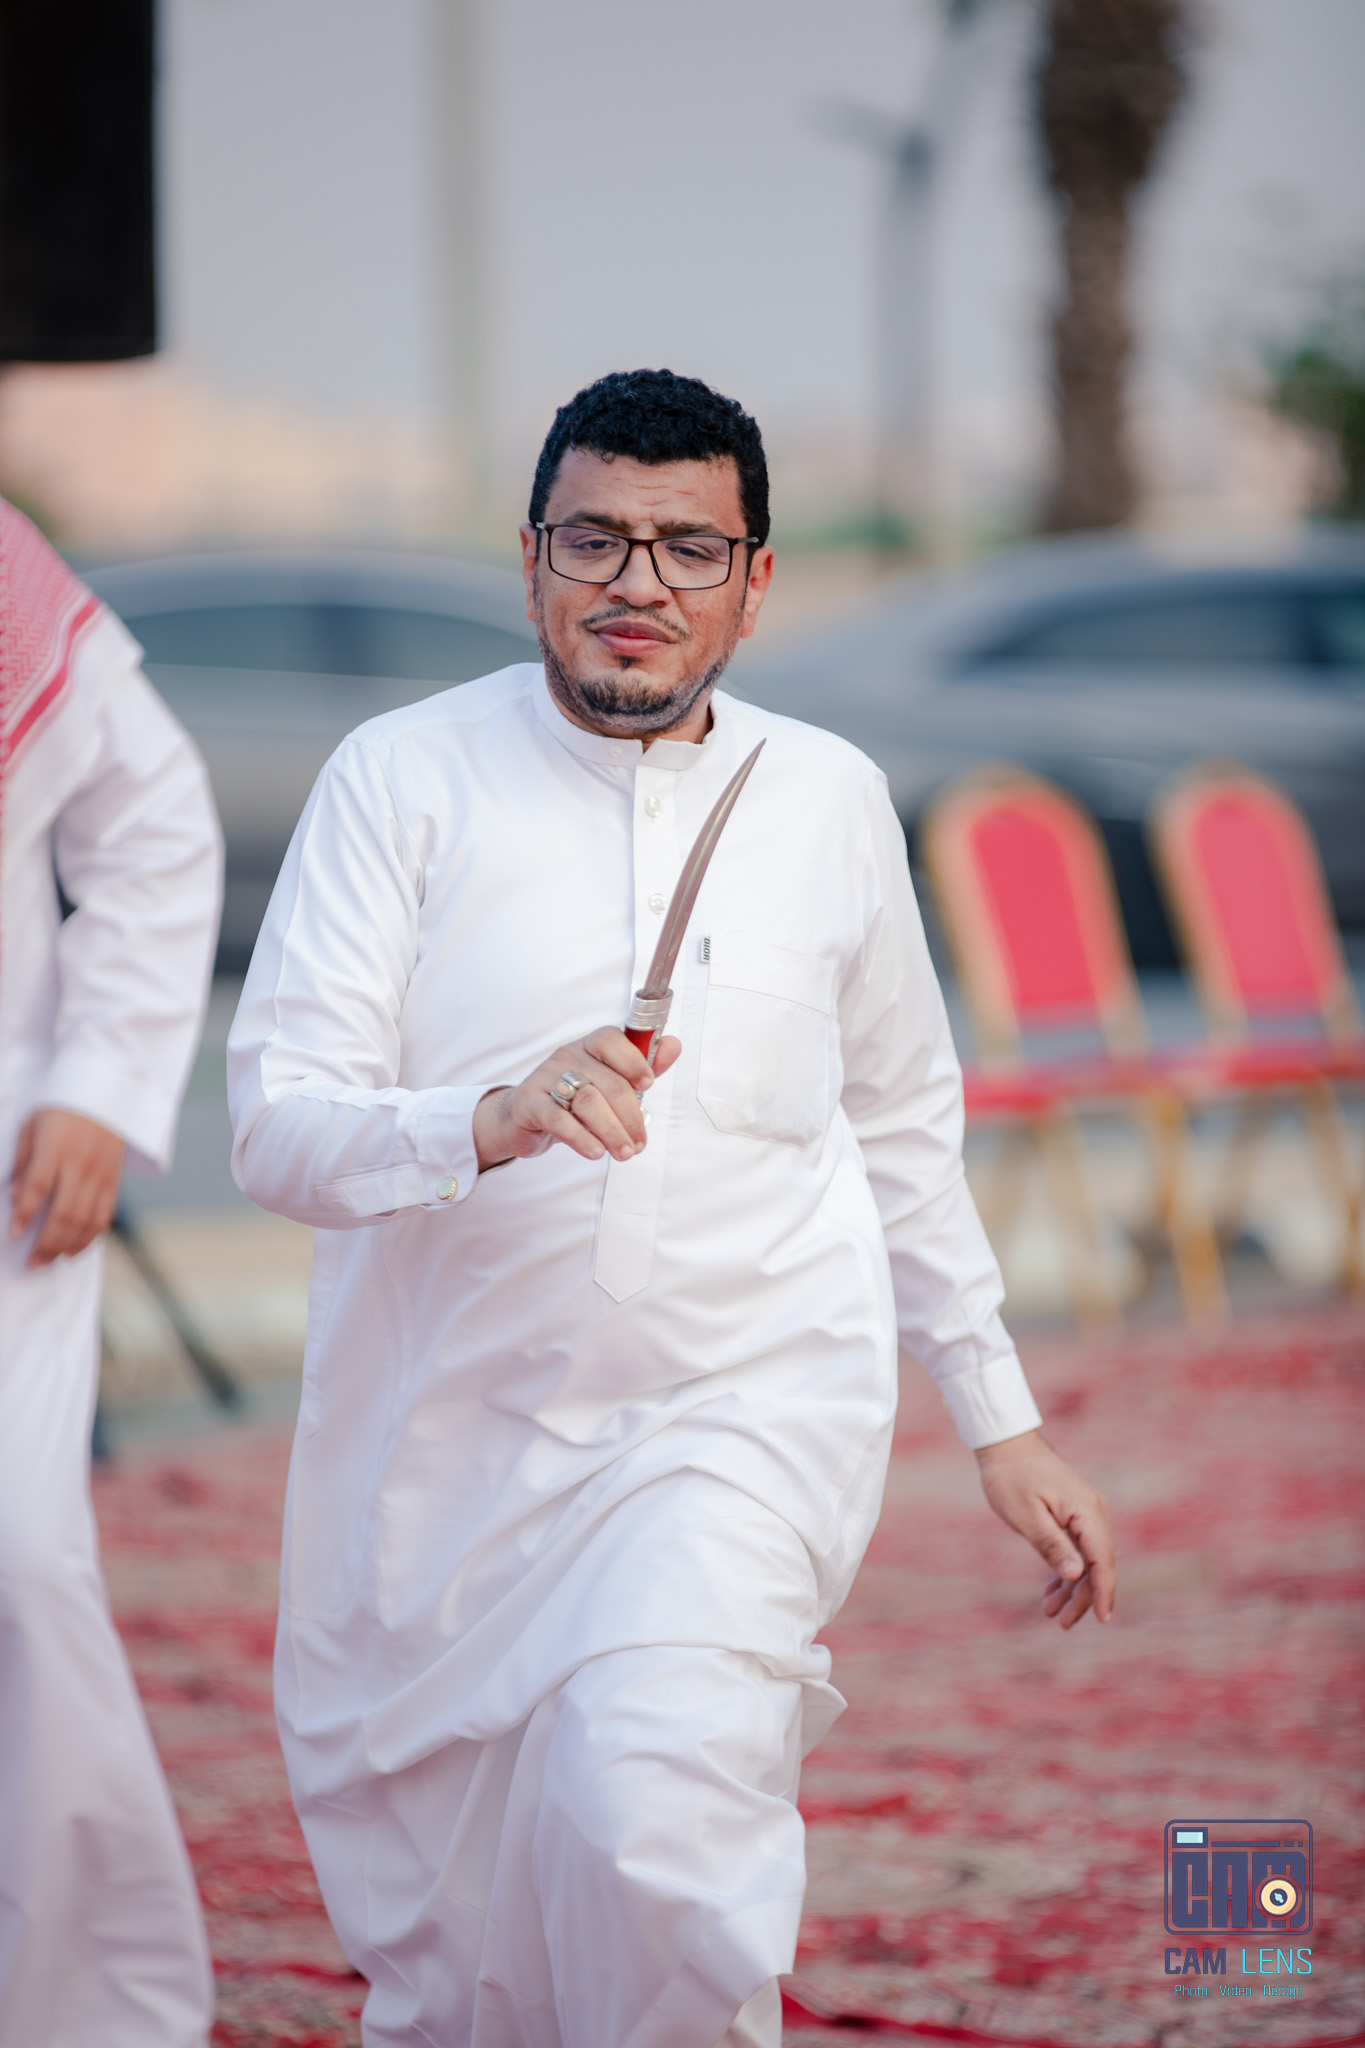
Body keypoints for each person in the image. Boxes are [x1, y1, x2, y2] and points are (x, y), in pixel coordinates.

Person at [228, 369, 1115, 2048]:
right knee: (468, 1969)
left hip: (740, 1418)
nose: (637, 582)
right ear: (530, 560)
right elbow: (275, 1128)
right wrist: (486, 1116)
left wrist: (997, 1417)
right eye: (596, 539)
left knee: (656, 1823)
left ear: (754, 582)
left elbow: (898, 1123)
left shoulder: (828, 798)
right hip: (446, 1468)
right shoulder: (397, 780)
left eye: (688, 548)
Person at [0, 500, 222, 2045]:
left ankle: (90, 2007)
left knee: (18, 1564)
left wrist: (98, 1079)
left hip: (10, 1170)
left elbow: (154, 826)